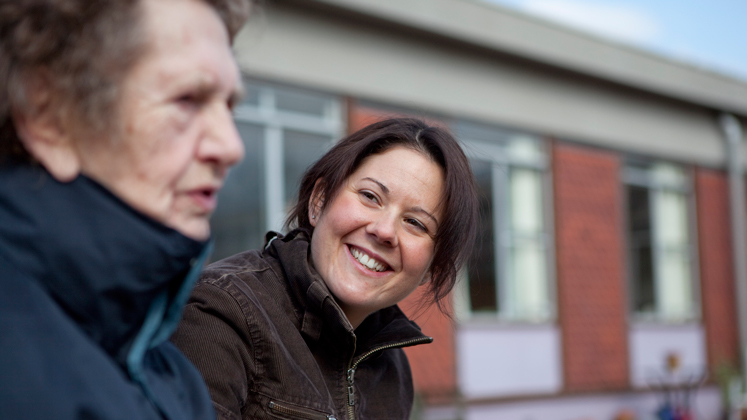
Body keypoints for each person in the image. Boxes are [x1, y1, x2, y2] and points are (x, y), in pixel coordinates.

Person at [0, 0, 250, 418]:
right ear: (48, 115)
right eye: (188, 99)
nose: (232, 146)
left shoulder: (173, 376)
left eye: (229, 106)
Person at [172, 118, 479, 420]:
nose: (384, 231)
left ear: (431, 267)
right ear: (319, 201)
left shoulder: (391, 367)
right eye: (370, 197)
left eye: (415, 223)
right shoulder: (220, 311)